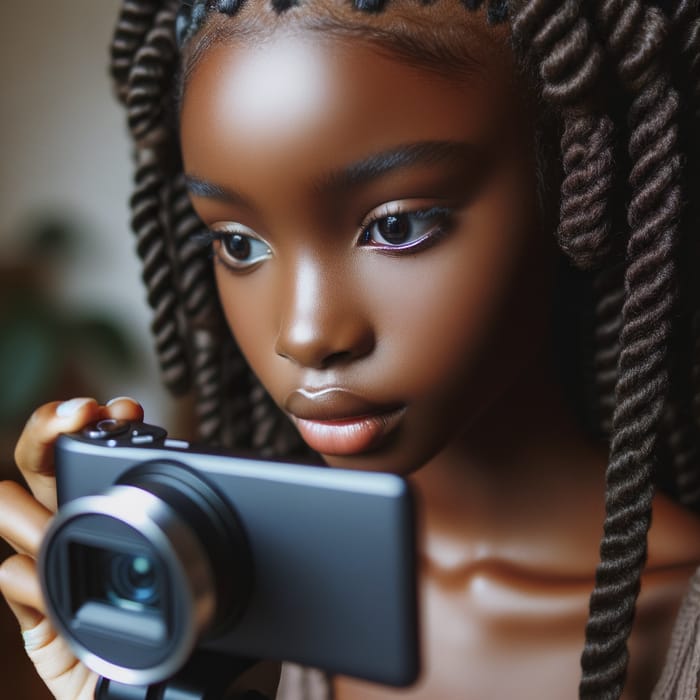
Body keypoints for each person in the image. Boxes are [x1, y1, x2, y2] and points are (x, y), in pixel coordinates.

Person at [1, 0, 700, 697]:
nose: (303, 334)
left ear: (581, 183)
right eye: (239, 244)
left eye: (396, 228)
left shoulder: (676, 620)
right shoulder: (235, 595)